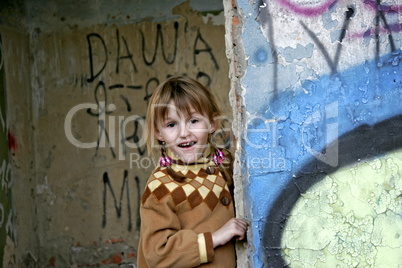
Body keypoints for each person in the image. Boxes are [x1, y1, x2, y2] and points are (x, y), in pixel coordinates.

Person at [137, 76, 247, 267]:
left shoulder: (226, 163)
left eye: (193, 121)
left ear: (212, 123)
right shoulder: (161, 186)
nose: (184, 132)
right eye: (172, 124)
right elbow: (158, 253)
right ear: (158, 133)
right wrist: (214, 238)